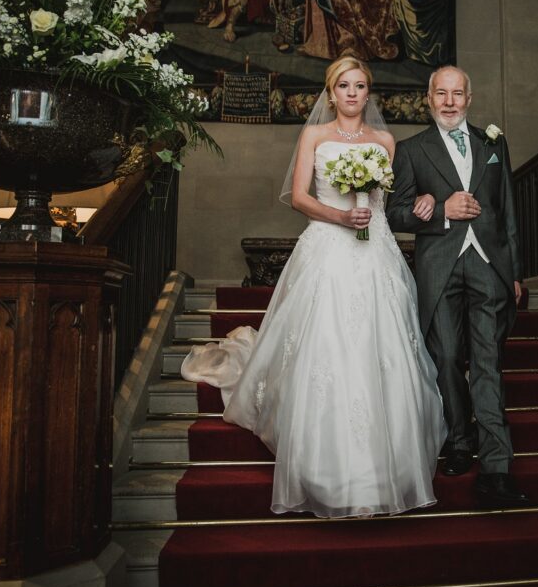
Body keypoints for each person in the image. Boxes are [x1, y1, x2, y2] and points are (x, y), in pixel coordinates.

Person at [181, 56, 446, 518]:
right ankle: (326, 466)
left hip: (376, 250)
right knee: (329, 346)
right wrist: (341, 216)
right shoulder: (314, 136)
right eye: (343, 85)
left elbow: (396, 200)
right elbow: (300, 196)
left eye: (360, 85)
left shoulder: (385, 141)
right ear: (330, 92)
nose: (351, 93)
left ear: (369, 93)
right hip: (328, 247)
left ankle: (385, 469)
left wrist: (421, 199)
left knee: (380, 348)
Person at [386, 65, 528, 507]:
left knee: (488, 362)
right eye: (441, 94)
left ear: (469, 98)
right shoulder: (411, 150)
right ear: (428, 100)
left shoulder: (493, 143)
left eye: (457, 94)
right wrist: (441, 210)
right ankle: (460, 440)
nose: (449, 102)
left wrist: (515, 270)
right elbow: (394, 214)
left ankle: (497, 467)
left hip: (489, 265)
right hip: (439, 266)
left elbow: (507, 210)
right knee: (446, 357)